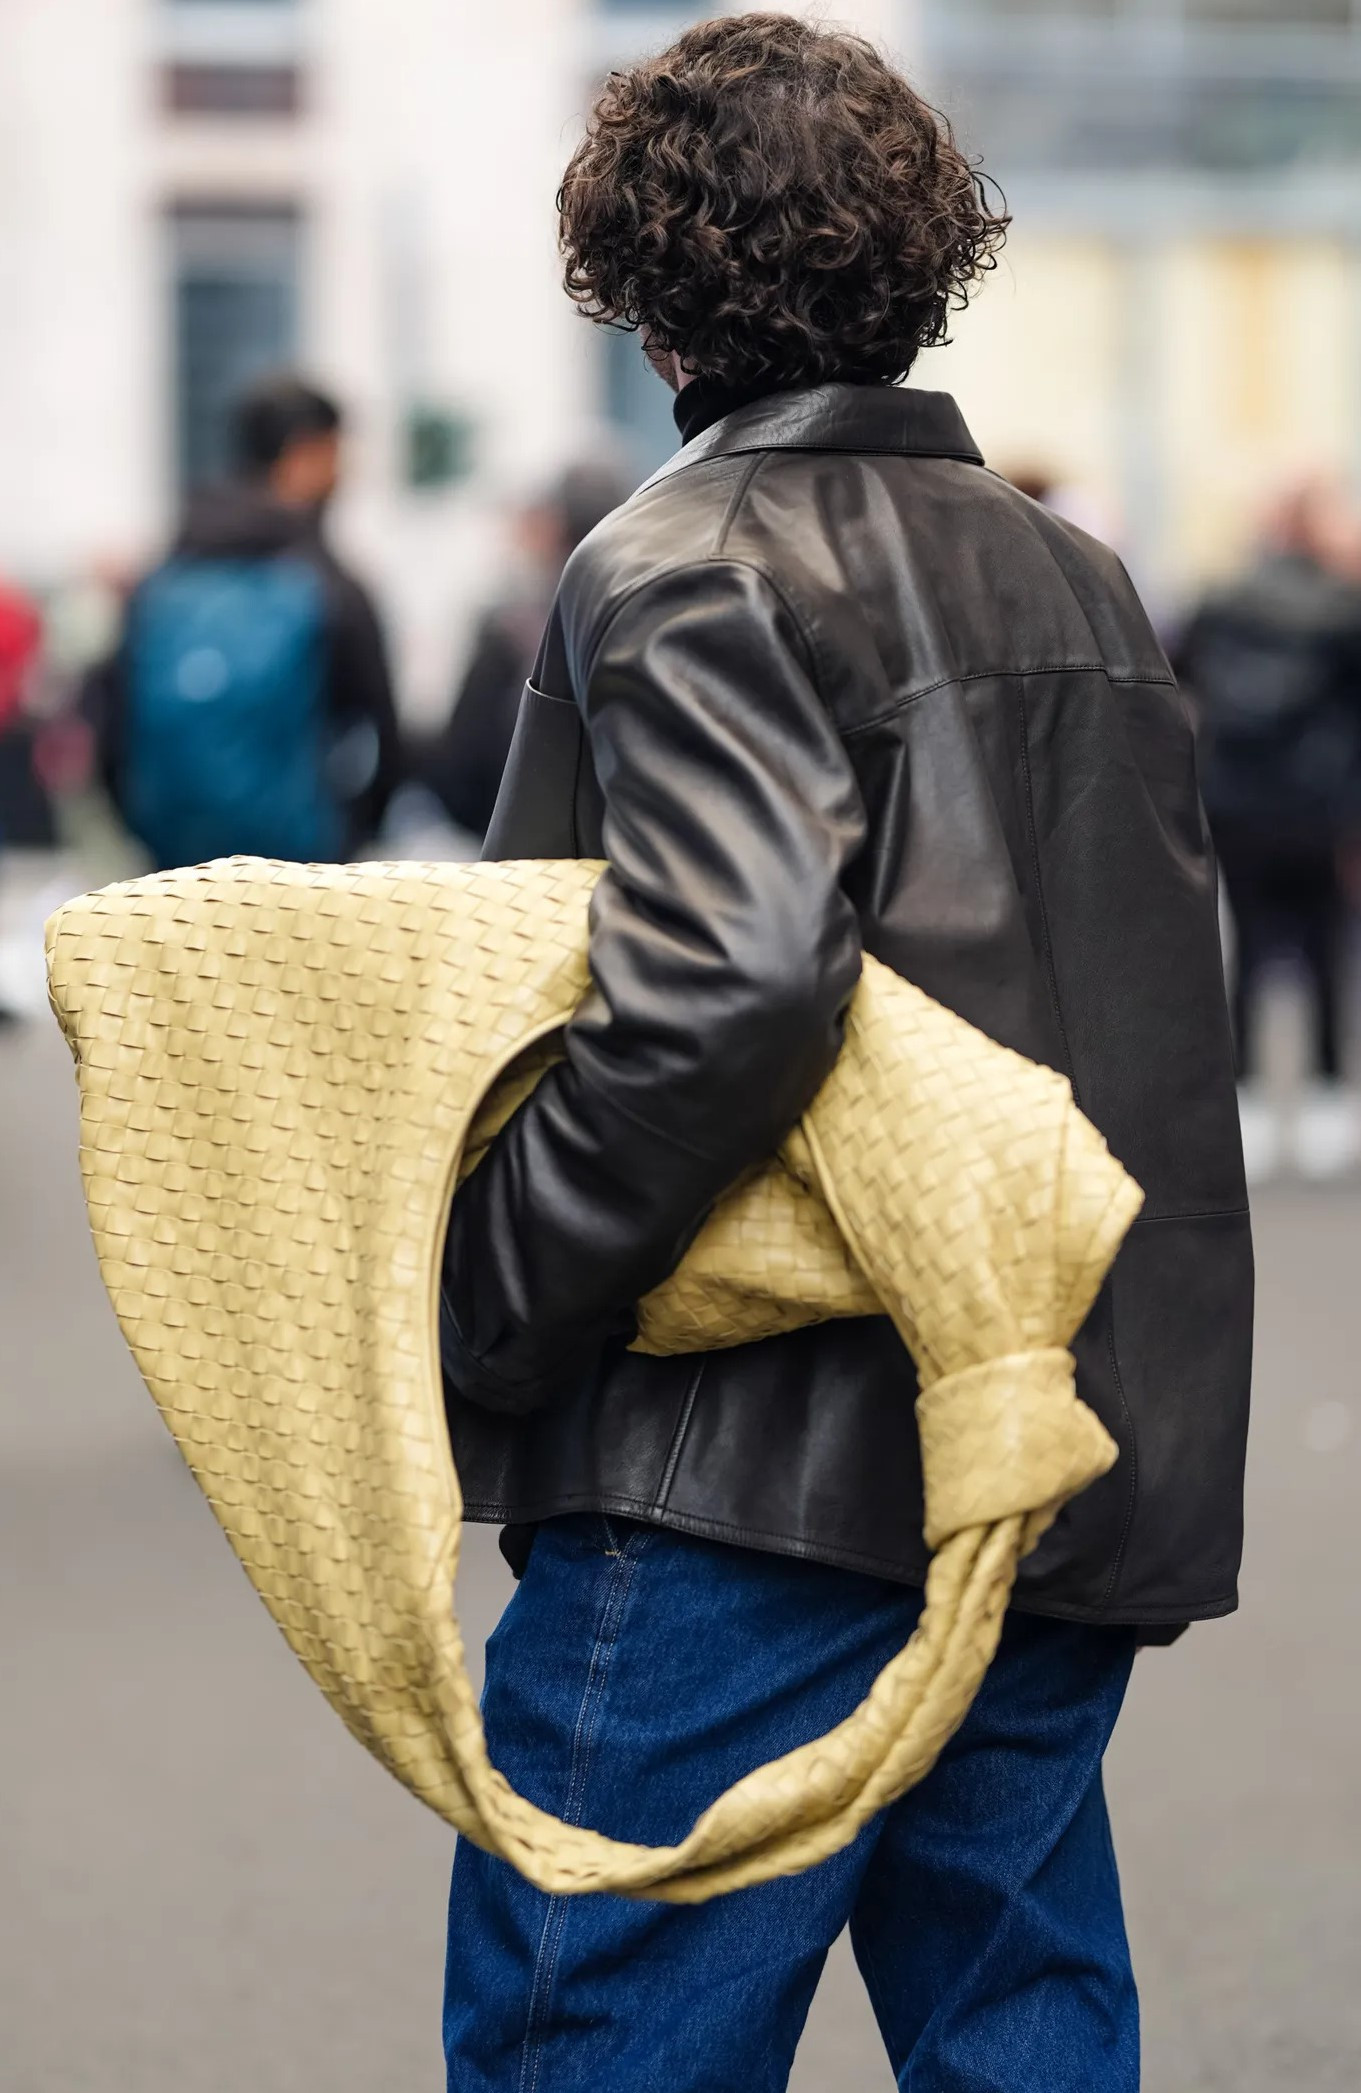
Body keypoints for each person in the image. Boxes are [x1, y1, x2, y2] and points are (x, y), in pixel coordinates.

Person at [438, 17, 1251, 2091]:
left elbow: (716, 990)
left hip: (742, 1470)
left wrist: (493, 1300)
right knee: (1018, 2024)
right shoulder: (1074, 576)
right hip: (1041, 1437)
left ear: (639, 285)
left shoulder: (682, 558)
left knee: (592, 2033)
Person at [85, 374, 400, 870]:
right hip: (301, 870)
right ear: (306, 455)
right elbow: (384, 729)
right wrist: (353, 836)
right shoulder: (327, 582)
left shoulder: (166, 572)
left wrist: (144, 827)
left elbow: (107, 720)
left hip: (172, 867)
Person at [1177, 478, 1361, 1182]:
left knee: (1246, 954)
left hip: (1236, 804)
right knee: (1323, 955)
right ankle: (1321, 1102)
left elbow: (1183, 688)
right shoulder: (1344, 608)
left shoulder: (1218, 604)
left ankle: (1248, 1099)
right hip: (1318, 806)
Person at [411, 463, 632, 843]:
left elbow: (460, 768)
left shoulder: (509, 630)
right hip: (619, 859)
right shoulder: (642, 622)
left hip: (520, 861)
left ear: (554, 528)